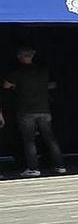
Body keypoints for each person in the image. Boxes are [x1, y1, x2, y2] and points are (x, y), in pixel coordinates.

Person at [3, 46, 63, 177]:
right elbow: (51, 85)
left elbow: (6, 85)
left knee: (29, 140)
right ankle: (59, 165)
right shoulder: (43, 71)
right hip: (44, 109)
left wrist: (16, 86)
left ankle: (33, 168)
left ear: (21, 57)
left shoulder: (18, 72)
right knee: (50, 138)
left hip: (26, 110)